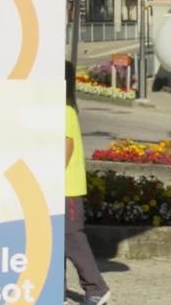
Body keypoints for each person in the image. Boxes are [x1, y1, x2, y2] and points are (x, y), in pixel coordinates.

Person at [65, 61, 111, 305]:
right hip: (57, 188)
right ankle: (55, 288)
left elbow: (66, 149)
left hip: (67, 188)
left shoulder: (65, 111)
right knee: (55, 240)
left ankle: (96, 287)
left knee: (72, 237)